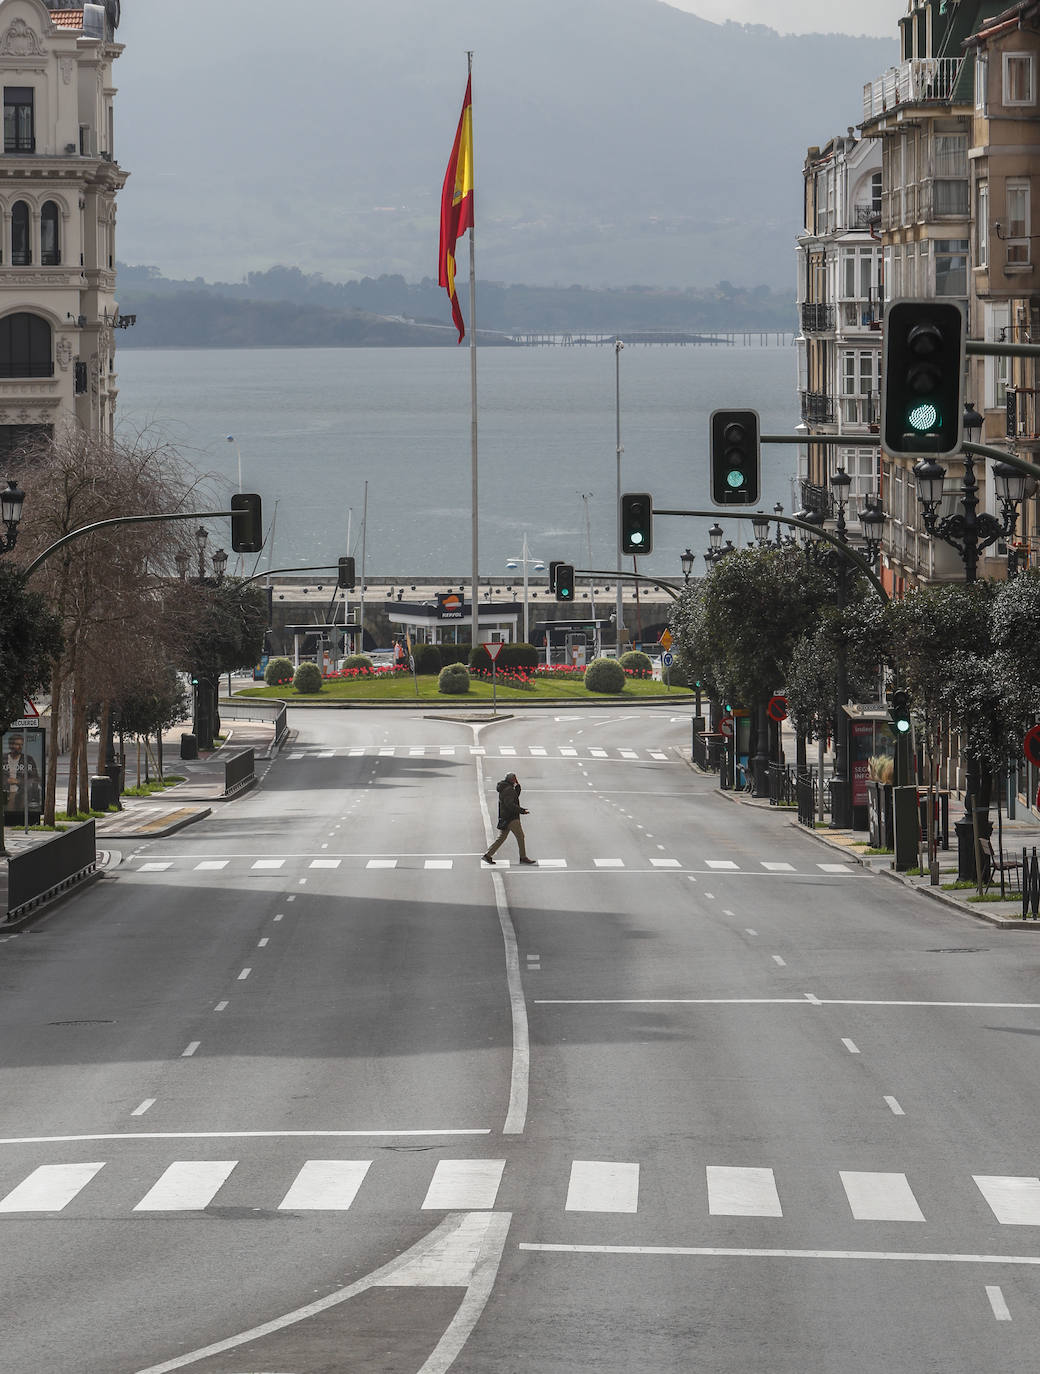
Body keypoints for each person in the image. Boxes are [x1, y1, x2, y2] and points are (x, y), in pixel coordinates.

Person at [482, 772, 537, 865]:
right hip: (511, 817)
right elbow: (510, 804)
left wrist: (517, 788)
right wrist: (522, 811)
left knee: (502, 837)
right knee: (520, 836)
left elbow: (513, 798)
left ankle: (488, 855)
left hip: (505, 817)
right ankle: (523, 857)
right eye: (515, 778)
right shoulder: (508, 789)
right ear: (512, 779)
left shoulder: (506, 788)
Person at [3, 734, 39, 814]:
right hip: (5, 792)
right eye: (17, 744)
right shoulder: (3, 758)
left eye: (21, 744)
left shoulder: (28, 759)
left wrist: (18, 781)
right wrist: (6, 780)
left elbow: (35, 779)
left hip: (22, 793)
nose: (20, 747)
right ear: (10, 745)